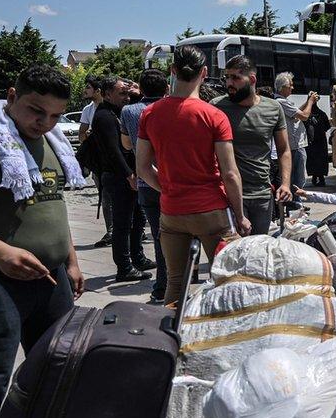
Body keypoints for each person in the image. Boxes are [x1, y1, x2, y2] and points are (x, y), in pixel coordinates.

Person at [0, 65, 85, 418]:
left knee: (58, 373)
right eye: (37, 110)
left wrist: (70, 259)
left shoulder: (51, 140)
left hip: (50, 281)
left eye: (56, 115)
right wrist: (2, 253)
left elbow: (53, 203)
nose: (46, 122)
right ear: (11, 95)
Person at [137, 45, 250, 305]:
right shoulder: (214, 116)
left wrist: (167, 188)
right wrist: (241, 215)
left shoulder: (150, 114)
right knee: (225, 281)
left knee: (175, 283)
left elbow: (142, 168)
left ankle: (170, 339)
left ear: (172, 71)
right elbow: (230, 173)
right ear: (205, 72)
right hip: (211, 211)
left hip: (172, 211)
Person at [212, 55, 292, 235]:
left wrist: (285, 184)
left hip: (262, 195)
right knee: (232, 257)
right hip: (226, 196)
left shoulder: (273, 108)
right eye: (227, 77)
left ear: (252, 79)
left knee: (257, 254)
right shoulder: (216, 108)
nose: (229, 83)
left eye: (235, 78)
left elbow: (284, 150)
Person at [91, 77, 153, 282]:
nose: (127, 97)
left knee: (138, 220)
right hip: (119, 176)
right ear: (107, 94)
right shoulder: (104, 116)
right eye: (122, 93)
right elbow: (113, 151)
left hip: (130, 173)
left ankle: (138, 257)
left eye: (128, 93)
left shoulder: (120, 111)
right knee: (122, 223)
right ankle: (124, 267)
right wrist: (129, 174)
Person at [120, 69, 169, 303]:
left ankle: (162, 286)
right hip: (172, 179)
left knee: (159, 235)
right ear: (166, 88)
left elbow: (127, 144)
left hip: (146, 181)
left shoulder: (129, 111)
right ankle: (179, 279)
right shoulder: (170, 108)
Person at [77, 75, 113, 247]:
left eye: (88, 87)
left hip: (113, 158)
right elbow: (81, 133)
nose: (85, 90)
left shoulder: (111, 107)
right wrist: (90, 141)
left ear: (98, 90)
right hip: (98, 160)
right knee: (104, 196)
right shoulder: (88, 110)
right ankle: (111, 230)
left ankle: (131, 229)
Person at [274, 72, 316, 191]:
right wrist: (311, 102)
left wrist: (308, 101)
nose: (292, 88)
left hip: (293, 143)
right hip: (295, 144)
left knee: (294, 175)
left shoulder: (281, 101)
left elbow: (297, 112)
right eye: (290, 85)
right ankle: (297, 202)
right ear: (282, 87)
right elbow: (304, 116)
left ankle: (295, 202)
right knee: (298, 176)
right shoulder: (281, 102)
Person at [305, 100, 331, 186]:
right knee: (321, 159)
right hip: (320, 140)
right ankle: (321, 178)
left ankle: (314, 177)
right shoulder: (322, 114)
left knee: (312, 159)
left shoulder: (306, 114)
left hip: (310, 141)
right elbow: (327, 126)